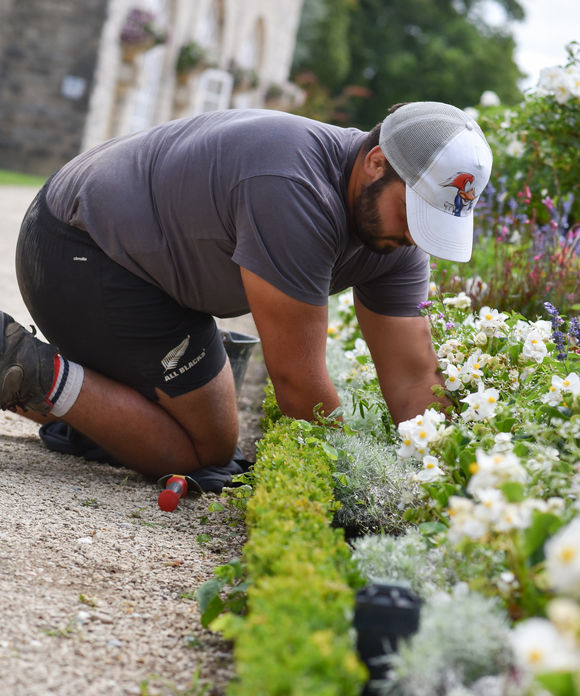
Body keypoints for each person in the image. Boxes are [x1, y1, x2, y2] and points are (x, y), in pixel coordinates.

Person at [0, 101, 492, 479]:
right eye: (413, 215)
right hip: (79, 250)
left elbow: (412, 378)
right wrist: (351, 480)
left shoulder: (396, 236)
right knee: (205, 451)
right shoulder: (295, 188)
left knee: (203, 415)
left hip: (141, 272)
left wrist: (441, 473)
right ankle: (24, 366)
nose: (414, 237)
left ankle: (83, 408)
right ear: (377, 163)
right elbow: (300, 386)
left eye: (431, 225)